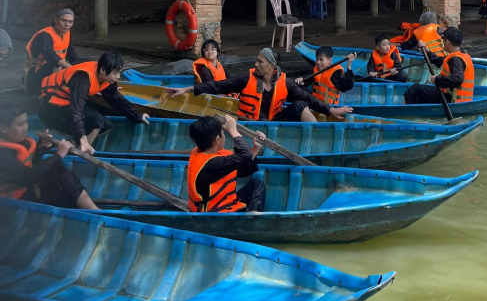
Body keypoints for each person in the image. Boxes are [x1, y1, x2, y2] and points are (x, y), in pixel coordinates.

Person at [165, 48, 353, 122]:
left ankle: (316, 136)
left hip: (273, 122)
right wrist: (188, 89)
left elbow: (309, 98)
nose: (255, 65)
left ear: (271, 66)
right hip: (251, 123)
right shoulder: (246, 79)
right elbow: (219, 86)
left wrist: (330, 110)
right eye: (256, 61)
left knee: (300, 105)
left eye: (260, 62)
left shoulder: (284, 83)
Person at [38, 51, 151, 155]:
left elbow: (115, 98)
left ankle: (74, 144)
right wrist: (83, 139)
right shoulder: (82, 79)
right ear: (103, 71)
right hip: (50, 109)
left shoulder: (104, 75)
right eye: (115, 73)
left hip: (67, 103)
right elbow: (76, 110)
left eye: (119, 72)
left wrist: (137, 115)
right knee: (97, 121)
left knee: (107, 124)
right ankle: (81, 150)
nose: (118, 77)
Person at [0, 104, 98, 209]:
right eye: (20, 125)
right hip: (12, 203)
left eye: (26, 123)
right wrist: (58, 156)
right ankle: (92, 209)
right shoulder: (3, 155)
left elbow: (27, 164)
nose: (25, 128)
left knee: (60, 180)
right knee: (57, 170)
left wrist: (41, 147)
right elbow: (26, 177)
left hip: (26, 189)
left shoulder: (13, 141)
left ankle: (88, 207)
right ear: (3, 128)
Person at [187, 115, 266, 213]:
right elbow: (245, 154)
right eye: (223, 133)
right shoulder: (211, 164)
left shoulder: (206, 154)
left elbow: (240, 168)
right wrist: (233, 130)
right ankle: (250, 224)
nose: (224, 135)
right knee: (257, 185)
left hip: (227, 204)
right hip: (214, 216)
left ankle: (250, 219)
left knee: (257, 184)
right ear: (217, 139)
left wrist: (256, 147)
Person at [403, 27, 474, 104]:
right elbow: (440, 61)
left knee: (414, 89)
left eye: (443, 40)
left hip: (452, 98)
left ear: (447, 41)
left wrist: (437, 80)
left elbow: (458, 79)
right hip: (452, 94)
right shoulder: (461, 54)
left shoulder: (456, 59)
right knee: (421, 91)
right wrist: (427, 51)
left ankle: (401, 112)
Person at [24, 8, 81, 93]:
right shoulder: (44, 35)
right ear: (56, 20)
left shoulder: (67, 34)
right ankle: (51, 93)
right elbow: (50, 55)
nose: (67, 24)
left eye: (70, 22)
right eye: (64, 20)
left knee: (84, 63)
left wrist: (81, 66)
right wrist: (71, 68)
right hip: (37, 73)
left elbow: (71, 53)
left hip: (57, 68)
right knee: (58, 66)